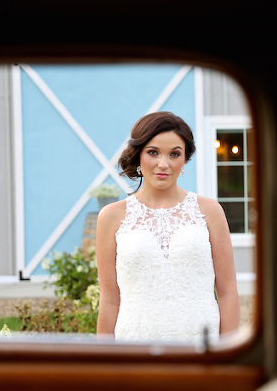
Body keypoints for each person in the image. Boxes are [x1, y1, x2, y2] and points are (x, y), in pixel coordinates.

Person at [96, 111, 240, 344]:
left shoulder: (210, 211)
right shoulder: (111, 217)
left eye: (174, 153)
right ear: (139, 155)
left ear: (184, 160)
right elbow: (110, 300)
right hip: (135, 348)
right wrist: (102, 363)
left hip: (201, 348)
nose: (164, 164)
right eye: (153, 152)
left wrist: (229, 358)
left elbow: (227, 292)